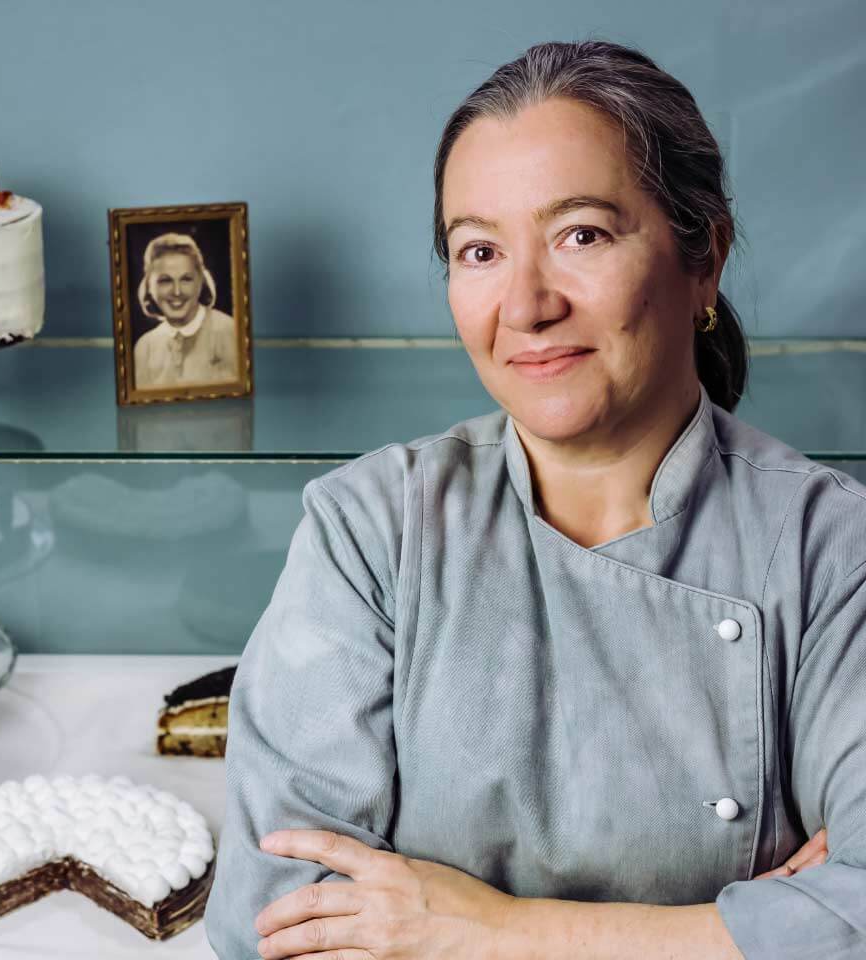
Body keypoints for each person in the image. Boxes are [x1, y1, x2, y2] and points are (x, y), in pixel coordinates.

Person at [205, 40, 865, 960]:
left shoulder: (830, 547)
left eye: (581, 235)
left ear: (702, 256)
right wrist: (735, 934)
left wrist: (486, 931)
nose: (525, 304)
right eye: (479, 250)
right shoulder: (371, 530)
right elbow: (274, 918)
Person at [133, 232, 239, 390]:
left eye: (186, 279)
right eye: (165, 280)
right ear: (149, 286)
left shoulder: (229, 332)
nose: (177, 291)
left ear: (200, 282)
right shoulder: (145, 347)